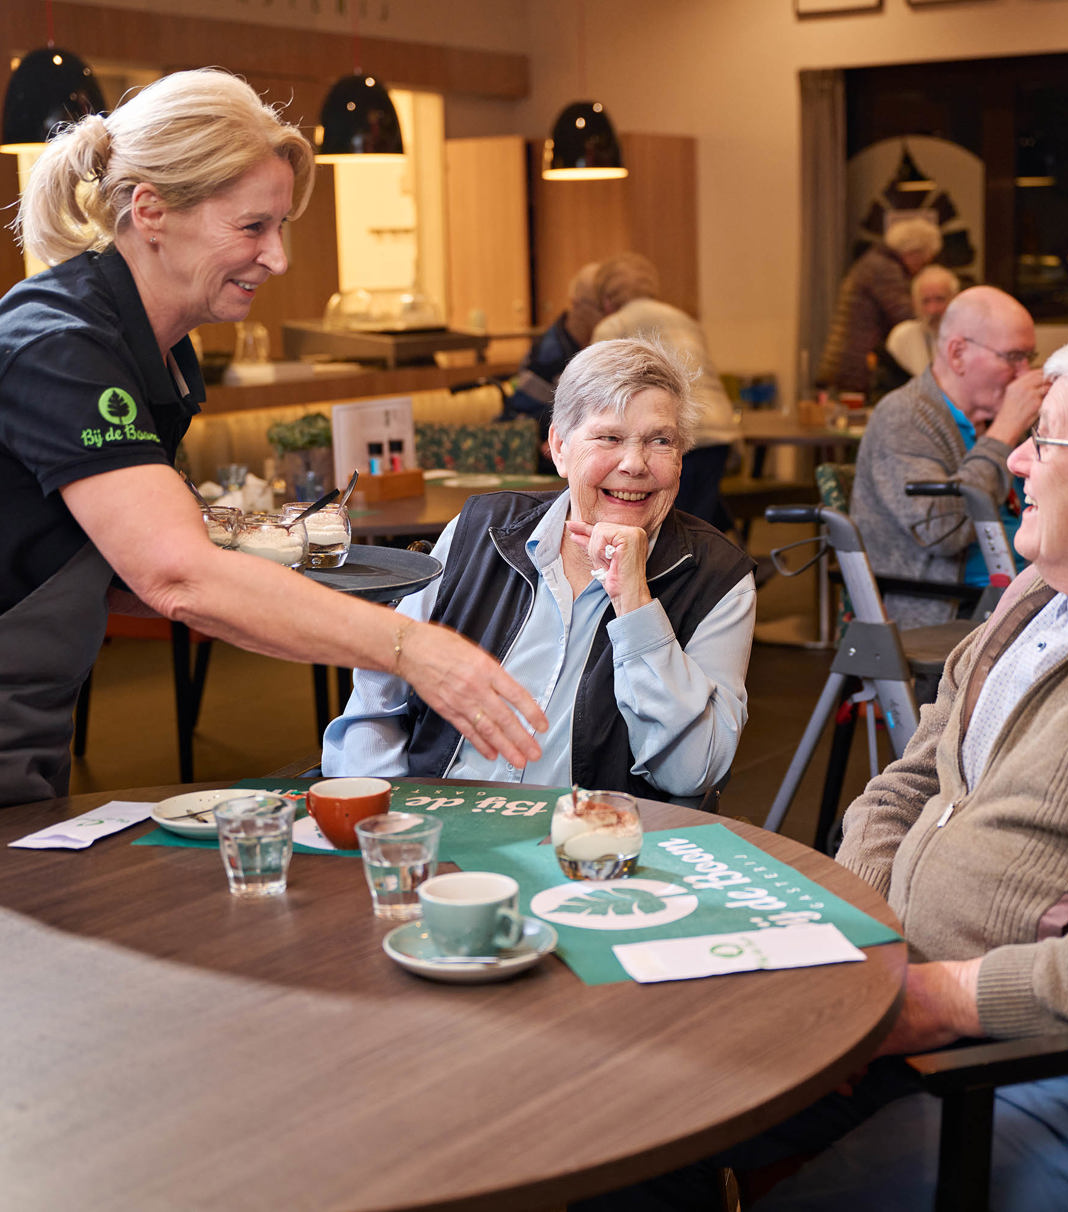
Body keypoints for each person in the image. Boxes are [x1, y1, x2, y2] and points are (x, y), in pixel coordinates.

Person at [579, 317, 1068, 1212]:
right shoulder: (1038, 594)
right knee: (624, 1108)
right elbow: (909, 781)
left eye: (1045, 439)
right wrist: (870, 945)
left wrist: (943, 999)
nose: (1016, 462)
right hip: (897, 1000)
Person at [0, 68, 546, 809]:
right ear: (151, 210)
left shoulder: (153, 350)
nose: (278, 258)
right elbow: (176, 576)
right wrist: (414, 651)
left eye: (279, 226)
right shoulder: (62, 344)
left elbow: (122, 570)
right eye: (252, 227)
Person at [322, 337, 757, 801]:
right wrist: (384, 811)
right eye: (609, 437)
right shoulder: (479, 531)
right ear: (559, 446)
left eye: (660, 441)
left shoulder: (719, 580)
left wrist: (635, 604)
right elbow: (381, 694)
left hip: (586, 848)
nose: (634, 464)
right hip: (433, 825)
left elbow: (693, 773)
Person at [850, 285, 1046, 628]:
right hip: (956, 611)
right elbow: (942, 531)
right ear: (957, 354)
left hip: (1031, 592)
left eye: (1030, 357)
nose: (1024, 373)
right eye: (1014, 357)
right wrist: (1003, 433)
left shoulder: (998, 417)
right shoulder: (904, 416)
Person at [591, 252, 740, 532]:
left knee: (670, 529)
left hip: (669, 436)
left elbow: (596, 394)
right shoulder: (685, 319)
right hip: (717, 431)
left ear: (607, 301)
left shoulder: (613, 325)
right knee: (696, 522)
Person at [817, 217, 943, 396]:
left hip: (846, 360)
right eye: (923, 261)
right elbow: (903, 312)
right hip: (856, 364)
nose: (920, 269)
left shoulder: (875, 262)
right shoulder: (885, 270)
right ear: (913, 252)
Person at [507, 261, 601, 452]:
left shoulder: (602, 340)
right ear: (576, 303)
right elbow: (524, 416)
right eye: (599, 306)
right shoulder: (549, 351)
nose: (609, 314)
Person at [882, 263, 960, 379]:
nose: (933, 310)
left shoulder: (969, 338)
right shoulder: (902, 338)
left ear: (955, 300)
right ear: (914, 304)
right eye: (926, 301)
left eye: (940, 299)